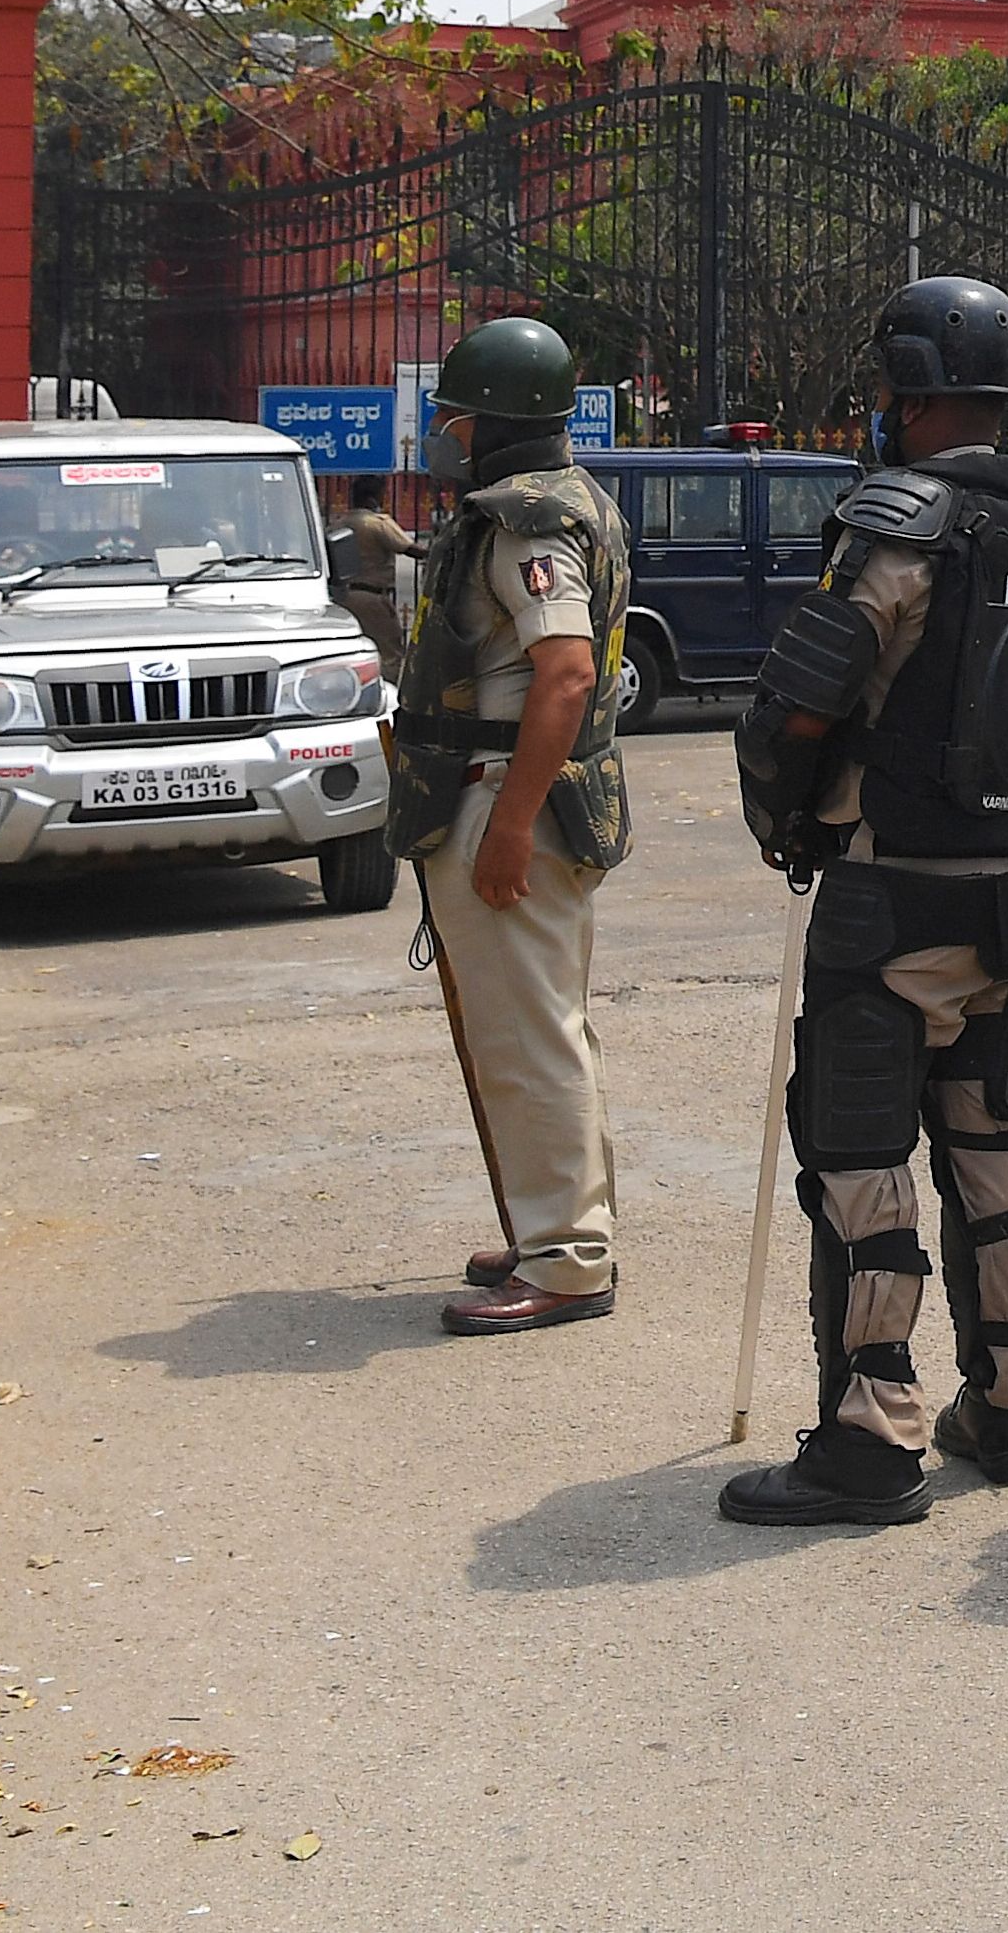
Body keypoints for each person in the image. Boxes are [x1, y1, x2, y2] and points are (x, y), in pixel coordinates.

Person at [720, 276, 1008, 1524]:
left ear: (908, 389)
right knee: (992, 1145)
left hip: (894, 897)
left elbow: (798, 701)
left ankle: (868, 1440)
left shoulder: (899, 525)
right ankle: (1006, 1403)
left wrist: (784, 818)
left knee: (856, 1162)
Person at [379, 316, 638, 1336]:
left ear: (492, 419)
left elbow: (566, 673)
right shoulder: (566, 502)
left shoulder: (527, 525)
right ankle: (557, 1228)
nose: (445, 428)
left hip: (506, 789)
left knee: (530, 1036)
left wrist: (508, 825)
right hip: (513, 788)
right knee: (541, 1027)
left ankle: (569, 1259)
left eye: (457, 412)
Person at [329, 476, 418, 653]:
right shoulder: (377, 523)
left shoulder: (336, 525)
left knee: (349, 652)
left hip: (342, 599)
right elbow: (409, 549)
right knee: (388, 653)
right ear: (372, 498)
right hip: (374, 600)